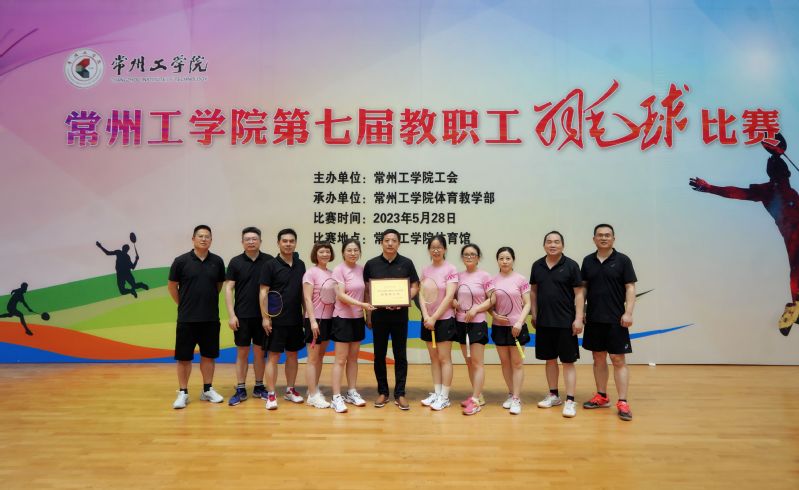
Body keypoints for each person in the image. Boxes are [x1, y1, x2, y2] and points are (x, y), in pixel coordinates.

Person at [690, 133, 799, 336]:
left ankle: (795, 308)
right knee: (797, 268)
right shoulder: (767, 191)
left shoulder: (790, 191)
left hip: (793, 234)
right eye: (777, 170)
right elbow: (735, 192)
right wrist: (710, 188)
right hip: (794, 235)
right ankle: (795, 307)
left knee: (796, 268)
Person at [581, 224, 637, 421]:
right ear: (594, 239)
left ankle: (623, 401)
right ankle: (602, 396)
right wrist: (581, 312)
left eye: (607, 235)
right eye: (600, 235)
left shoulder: (623, 260)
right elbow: (583, 289)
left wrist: (628, 312)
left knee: (618, 359)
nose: (603, 238)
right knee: (598, 357)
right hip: (594, 318)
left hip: (616, 319)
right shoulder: (587, 261)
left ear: (613, 238)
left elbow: (630, 287)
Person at [168, 225, 226, 409]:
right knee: (184, 358)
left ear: (211, 240)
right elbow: (172, 286)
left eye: (207, 236)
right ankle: (183, 392)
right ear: (193, 239)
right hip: (187, 319)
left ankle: (207, 390)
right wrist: (184, 304)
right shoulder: (181, 261)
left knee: (208, 356)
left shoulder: (217, 261)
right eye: (200, 236)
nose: (204, 239)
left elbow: (218, 286)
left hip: (210, 319)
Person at [363, 229, 419, 410]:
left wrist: (404, 299)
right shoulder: (371, 264)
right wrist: (368, 315)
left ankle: (400, 393)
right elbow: (367, 291)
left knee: (400, 355)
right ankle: (383, 392)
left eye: (394, 240)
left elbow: (415, 286)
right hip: (378, 316)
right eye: (386, 240)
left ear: (399, 243)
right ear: (381, 242)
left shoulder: (407, 263)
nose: (390, 243)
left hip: (400, 316)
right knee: (379, 355)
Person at [530, 231, 584, 418]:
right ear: (544, 245)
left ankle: (570, 400)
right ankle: (554, 395)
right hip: (544, 322)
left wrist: (578, 318)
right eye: (549, 242)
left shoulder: (571, 265)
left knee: (568, 362)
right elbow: (534, 291)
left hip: (566, 322)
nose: (552, 245)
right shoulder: (537, 265)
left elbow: (579, 294)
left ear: (562, 245)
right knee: (550, 360)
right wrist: (534, 314)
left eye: (556, 242)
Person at [224, 226, 273, 406]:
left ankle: (259, 386)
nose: (251, 242)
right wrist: (231, 315)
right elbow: (228, 288)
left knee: (260, 353)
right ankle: (240, 388)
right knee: (242, 352)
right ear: (242, 242)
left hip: (263, 317)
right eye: (248, 239)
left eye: (254, 239)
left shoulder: (269, 261)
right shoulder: (235, 262)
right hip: (242, 316)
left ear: (260, 241)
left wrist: (268, 316)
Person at [259, 228, 306, 410]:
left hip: (295, 319)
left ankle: (290, 390)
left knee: (293, 355)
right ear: (278, 243)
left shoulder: (300, 265)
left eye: (291, 241)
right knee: (273, 356)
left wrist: (305, 314)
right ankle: (271, 394)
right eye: (284, 241)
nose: (288, 244)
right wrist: (265, 317)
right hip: (275, 319)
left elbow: (302, 293)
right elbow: (263, 292)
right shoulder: (270, 265)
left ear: (295, 243)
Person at [329, 239, 375, 413]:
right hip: (342, 319)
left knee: (354, 359)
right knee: (340, 360)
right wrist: (362, 305)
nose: (353, 253)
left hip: (357, 319)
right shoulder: (339, 270)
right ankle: (336, 397)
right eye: (349, 250)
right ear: (343, 252)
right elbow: (340, 295)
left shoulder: (361, 269)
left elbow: (366, 293)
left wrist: (368, 316)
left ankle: (351, 392)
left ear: (360, 252)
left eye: (356, 250)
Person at [490, 247, 532, 415]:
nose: (504, 261)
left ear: (513, 260)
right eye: (501, 258)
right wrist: (494, 315)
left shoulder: (521, 279)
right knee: (505, 363)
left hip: (517, 327)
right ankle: (510, 393)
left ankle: (516, 398)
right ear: (497, 261)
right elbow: (490, 304)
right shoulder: (492, 281)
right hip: (499, 327)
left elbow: (527, 303)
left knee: (517, 363)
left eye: (508, 258)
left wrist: (519, 323)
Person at [418, 235, 459, 411]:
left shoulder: (451, 269)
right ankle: (437, 392)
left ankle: (445, 396)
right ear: (429, 250)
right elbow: (421, 294)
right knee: (433, 358)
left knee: (444, 358)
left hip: (444, 320)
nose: (436, 250)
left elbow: (449, 296)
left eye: (439, 247)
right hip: (428, 320)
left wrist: (434, 317)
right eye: (433, 247)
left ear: (445, 249)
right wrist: (426, 316)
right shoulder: (425, 270)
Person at [453, 244, 494, 415]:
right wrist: (453, 302)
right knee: (469, 361)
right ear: (462, 257)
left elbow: (492, 298)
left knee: (477, 363)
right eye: (466, 254)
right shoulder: (458, 276)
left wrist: (476, 309)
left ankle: (476, 401)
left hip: (477, 323)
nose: (469, 257)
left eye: (473, 254)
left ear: (478, 257)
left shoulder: (485, 276)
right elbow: (452, 296)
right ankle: (478, 395)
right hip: (460, 323)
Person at [302, 241, 335, 409]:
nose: (325, 254)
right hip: (314, 320)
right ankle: (313, 395)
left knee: (320, 357)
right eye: (321, 251)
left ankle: (313, 388)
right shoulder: (310, 273)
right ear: (315, 254)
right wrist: (313, 321)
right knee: (312, 358)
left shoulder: (332, 273)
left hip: (329, 320)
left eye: (327, 251)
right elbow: (307, 299)